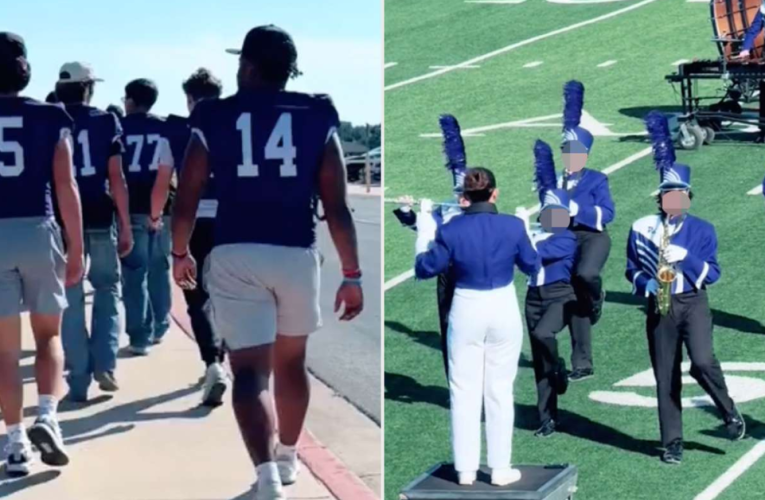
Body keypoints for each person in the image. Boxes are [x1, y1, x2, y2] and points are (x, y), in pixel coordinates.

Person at [171, 25, 363, 500]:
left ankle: (266, 476)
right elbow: (335, 204)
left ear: (249, 66)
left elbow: (189, 191)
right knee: (292, 361)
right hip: (295, 249)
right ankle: (289, 456)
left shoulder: (214, 114)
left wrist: (180, 252)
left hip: (236, 251)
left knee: (251, 371)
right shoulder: (317, 112)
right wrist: (352, 273)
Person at [626, 112, 744, 465]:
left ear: (688, 197)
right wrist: (647, 284)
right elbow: (630, 270)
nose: (672, 201)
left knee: (704, 361)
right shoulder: (642, 227)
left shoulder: (703, 230)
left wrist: (686, 257)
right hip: (659, 305)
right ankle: (672, 442)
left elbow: (713, 274)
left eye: (678, 195)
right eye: (667, 195)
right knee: (665, 375)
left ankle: (728, 411)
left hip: (692, 301)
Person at [415, 167, 538, 487]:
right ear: (495, 194)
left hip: (466, 306)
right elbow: (532, 265)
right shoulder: (511, 226)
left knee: (463, 390)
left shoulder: (452, 229)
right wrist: (525, 229)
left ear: (464, 198)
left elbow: (425, 267)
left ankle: (466, 470)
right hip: (503, 306)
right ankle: (499, 469)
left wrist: (425, 227)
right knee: (500, 390)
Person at [0, 32, 84, 475]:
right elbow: (65, 185)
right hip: (37, 227)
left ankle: (14, 444)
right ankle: (48, 415)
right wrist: (77, 246)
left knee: (4, 352)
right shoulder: (50, 115)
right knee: (48, 334)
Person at [56, 62, 132, 401]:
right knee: (107, 289)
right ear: (88, 88)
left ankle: (77, 377)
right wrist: (127, 225)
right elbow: (116, 177)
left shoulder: (51, 118)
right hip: (100, 214)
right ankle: (106, 362)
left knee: (70, 299)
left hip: (61, 219)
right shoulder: (106, 120)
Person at [168, 67, 227, 407]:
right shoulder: (237, 123)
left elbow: (167, 177)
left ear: (189, 99)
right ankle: (223, 361)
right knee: (233, 297)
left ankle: (213, 363)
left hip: (193, 220)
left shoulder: (178, 130)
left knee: (196, 297)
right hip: (233, 220)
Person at [392, 114, 466, 378]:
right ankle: (454, 381)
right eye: (457, 189)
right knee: (448, 329)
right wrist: (407, 210)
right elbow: (423, 227)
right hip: (447, 274)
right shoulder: (446, 207)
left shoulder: (481, 211)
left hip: (471, 271)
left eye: (464, 190)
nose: (459, 195)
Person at [559, 80, 614, 382]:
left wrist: (577, 210)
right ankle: (582, 363)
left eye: (576, 153)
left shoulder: (597, 179)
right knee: (571, 298)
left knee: (586, 276)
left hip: (593, 237)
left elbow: (608, 213)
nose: (571, 158)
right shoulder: (554, 181)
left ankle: (597, 300)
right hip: (565, 239)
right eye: (567, 152)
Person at [522, 141, 578, 438]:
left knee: (545, 336)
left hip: (558, 296)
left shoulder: (566, 238)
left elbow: (535, 254)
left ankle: (558, 368)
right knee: (538, 358)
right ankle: (547, 418)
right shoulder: (532, 233)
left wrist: (521, 232)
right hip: (533, 296)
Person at [119, 78, 174, 356]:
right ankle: (161, 323)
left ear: (130, 100)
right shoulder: (164, 126)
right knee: (159, 267)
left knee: (133, 273)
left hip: (130, 206)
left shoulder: (120, 127)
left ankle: (140, 334)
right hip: (160, 205)